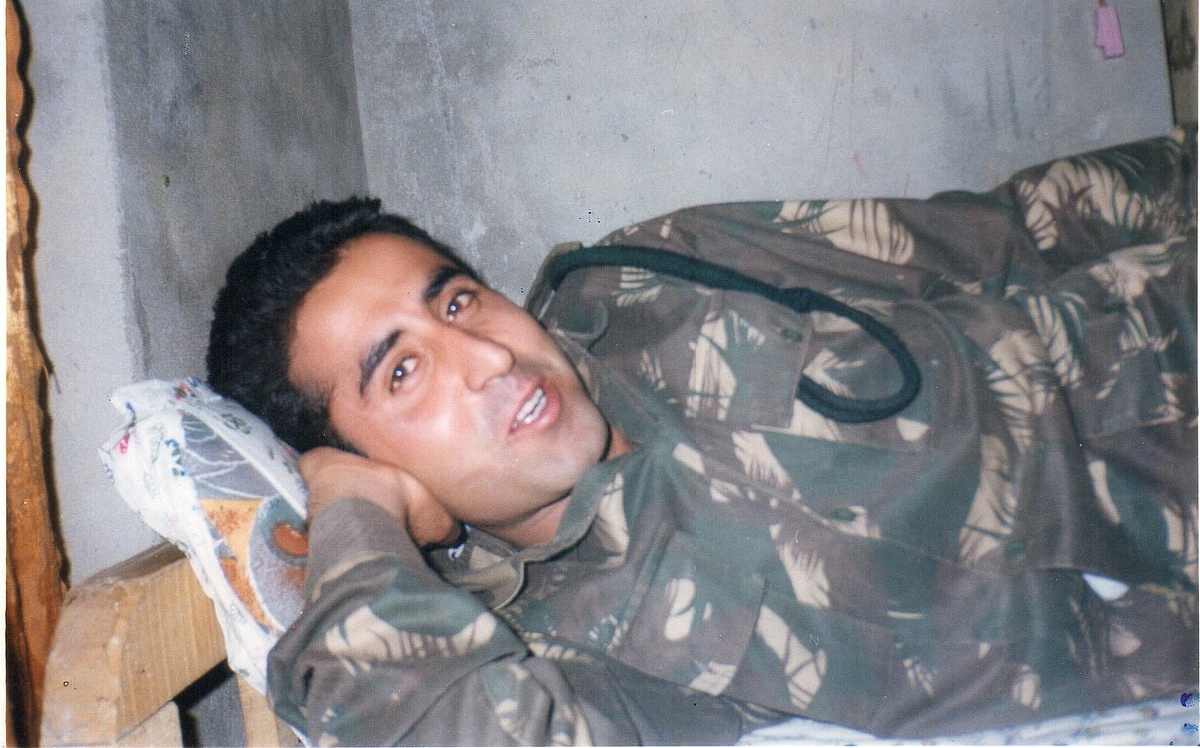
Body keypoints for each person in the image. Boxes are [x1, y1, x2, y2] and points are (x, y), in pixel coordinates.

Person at [207, 135, 1198, 745]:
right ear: (371, 465)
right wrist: (356, 522)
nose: (489, 356)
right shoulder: (570, 651)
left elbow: (997, 233)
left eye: (458, 300)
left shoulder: (647, 279)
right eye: (402, 372)